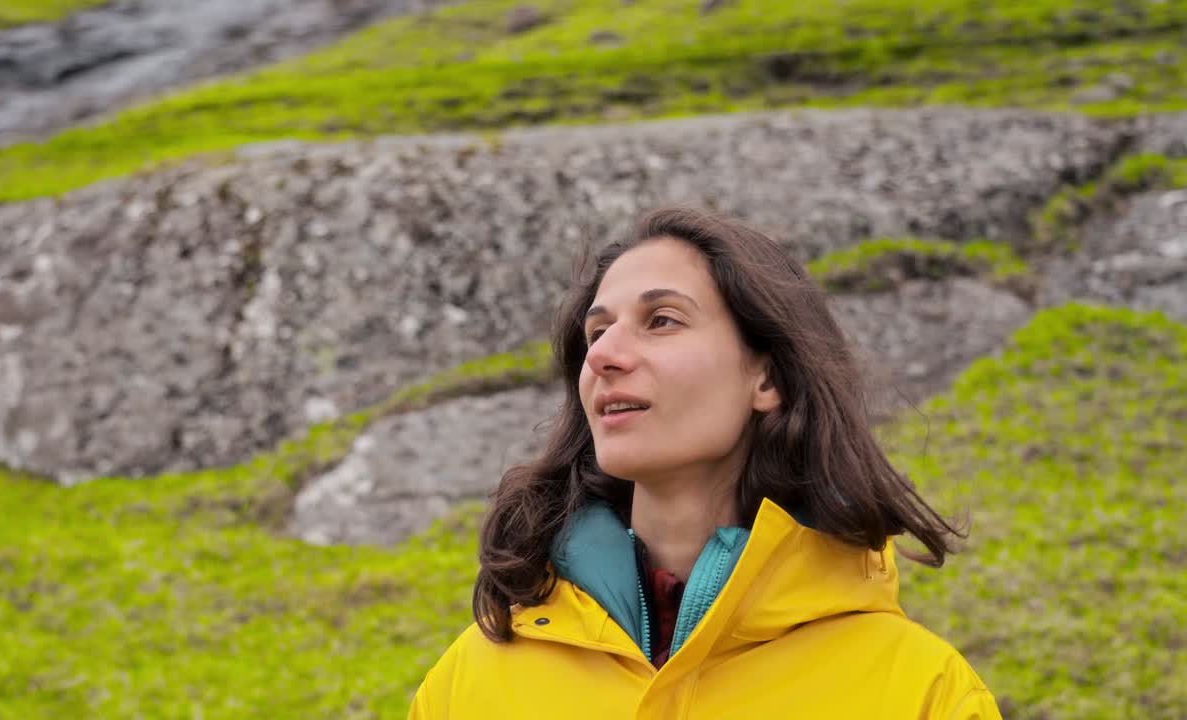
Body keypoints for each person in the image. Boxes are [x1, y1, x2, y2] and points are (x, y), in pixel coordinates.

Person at [409, 207, 1001, 719]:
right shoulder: (469, 682)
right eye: (597, 331)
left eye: (661, 320)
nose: (605, 355)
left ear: (766, 377)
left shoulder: (920, 691)